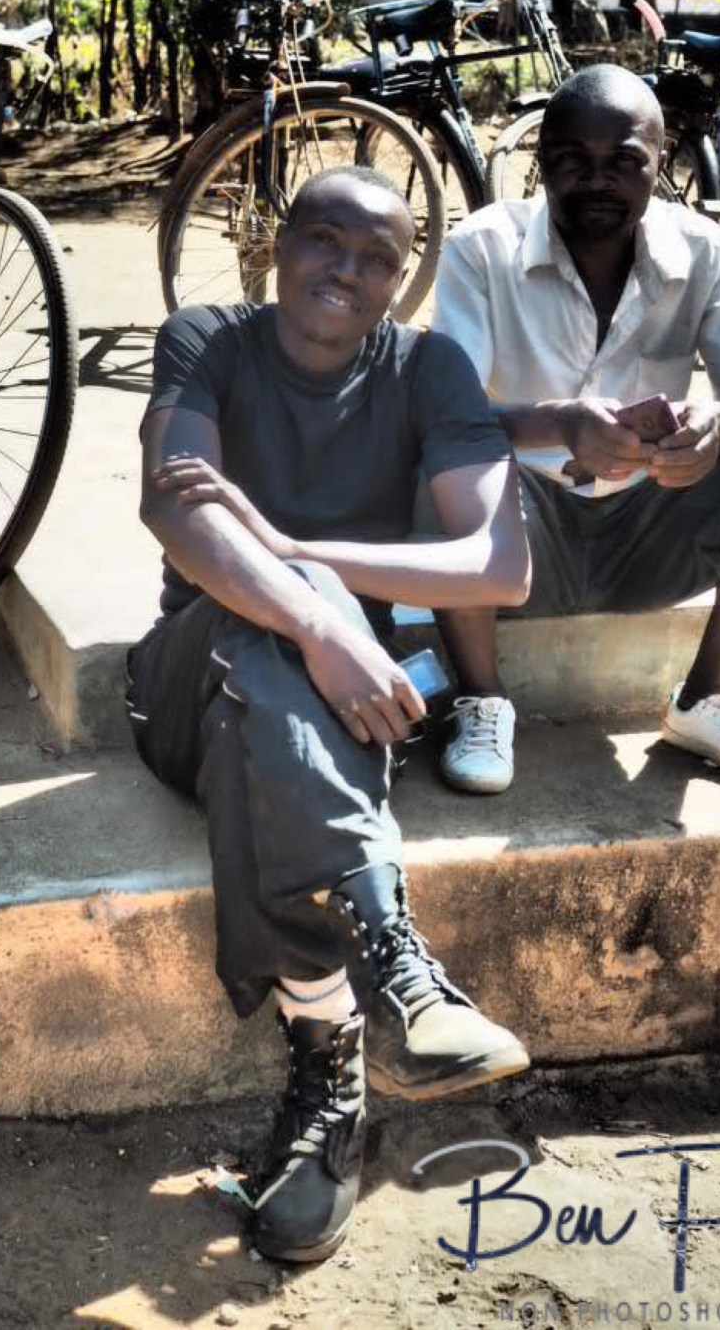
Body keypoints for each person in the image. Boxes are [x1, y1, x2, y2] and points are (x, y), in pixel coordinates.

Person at [129, 166, 532, 1264]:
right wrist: (324, 625)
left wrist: (300, 569)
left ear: (401, 282)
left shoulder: (428, 367)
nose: (343, 271)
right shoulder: (207, 337)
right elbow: (174, 502)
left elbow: (498, 565)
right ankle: (397, 958)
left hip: (318, 710)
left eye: (375, 259)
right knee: (252, 630)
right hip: (183, 678)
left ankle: (328, 1052)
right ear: (276, 244)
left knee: (272, 705)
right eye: (323, 240)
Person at [431, 64, 720, 795]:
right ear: (541, 163)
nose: (598, 182)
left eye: (624, 161)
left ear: (659, 160)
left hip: (651, 520)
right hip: (522, 541)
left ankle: (703, 700)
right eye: (572, 162)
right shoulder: (480, 249)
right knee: (449, 469)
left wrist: (716, 424)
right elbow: (444, 415)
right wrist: (559, 422)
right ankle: (483, 699)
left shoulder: (706, 254)